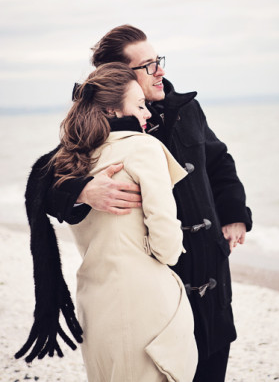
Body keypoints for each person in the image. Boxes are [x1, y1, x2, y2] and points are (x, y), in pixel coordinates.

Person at [22, 25, 252, 382]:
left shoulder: (186, 109)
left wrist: (235, 214)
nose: (160, 70)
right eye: (147, 65)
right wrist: (82, 191)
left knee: (211, 365)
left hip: (210, 275)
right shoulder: (99, 127)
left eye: (158, 60)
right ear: (119, 75)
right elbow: (43, 179)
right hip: (156, 293)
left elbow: (219, 161)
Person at [16, 63, 198, 382]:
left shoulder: (71, 159)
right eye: (140, 105)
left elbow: (37, 186)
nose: (148, 115)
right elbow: (167, 243)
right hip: (145, 300)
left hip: (95, 299)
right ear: (113, 110)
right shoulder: (144, 148)